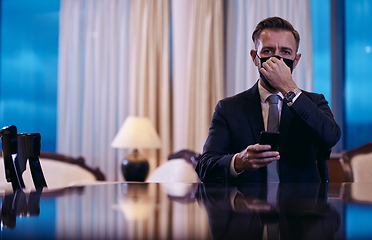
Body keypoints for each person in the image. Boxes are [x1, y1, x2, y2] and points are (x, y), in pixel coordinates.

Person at [195, 16, 341, 183]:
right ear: (254, 57)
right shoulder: (228, 108)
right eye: (268, 51)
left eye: (285, 52)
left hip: (301, 206)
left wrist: (288, 89)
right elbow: (205, 166)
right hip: (247, 205)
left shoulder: (314, 102)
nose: (276, 60)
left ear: (296, 60)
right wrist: (238, 161)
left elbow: (331, 137)